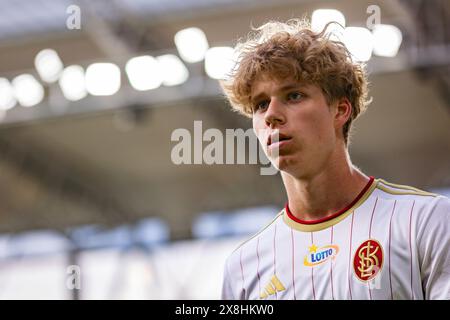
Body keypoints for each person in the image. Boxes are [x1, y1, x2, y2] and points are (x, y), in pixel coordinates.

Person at [219, 19, 450, 300]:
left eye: (293, 95)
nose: (271, 115)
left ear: (340, 110)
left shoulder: (427, 222)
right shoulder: (243, 269)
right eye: (261, 104)